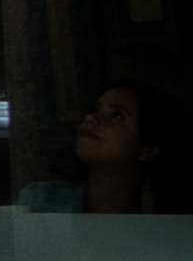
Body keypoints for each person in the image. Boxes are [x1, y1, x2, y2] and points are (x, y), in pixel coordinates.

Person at [24, 80, 181, 213]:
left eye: (117, 115)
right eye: (96, 109)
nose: (90, 117)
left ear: (147, 150)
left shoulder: (168, 222)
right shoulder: (39, 202)